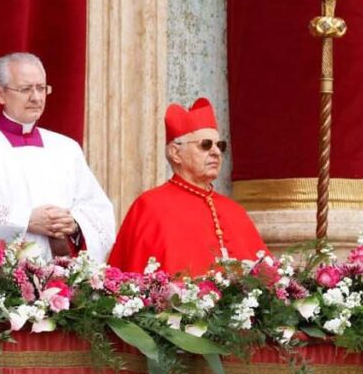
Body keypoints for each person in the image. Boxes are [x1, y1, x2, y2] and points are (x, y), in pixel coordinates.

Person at [0, 52, 115, 260]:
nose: (36, 97)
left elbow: (98, 210)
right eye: (25, 89)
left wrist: (74, 223)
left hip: (62, 275)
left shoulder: (66, 148)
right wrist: (26, 219)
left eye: (41, 88)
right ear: (0, 94)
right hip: (2, 276)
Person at [107, 97, 268, 277]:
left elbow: (267, 278)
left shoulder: (234, 211)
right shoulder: (150, 206)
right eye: (205, 145)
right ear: (176, 153)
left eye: (220, 145)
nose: (215, 152)